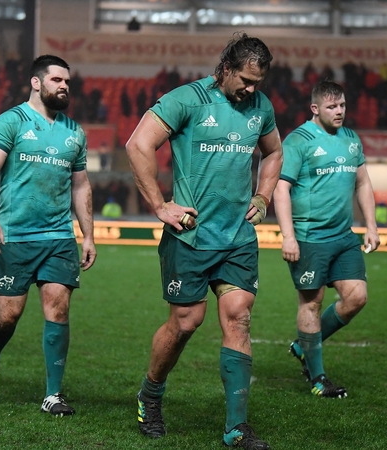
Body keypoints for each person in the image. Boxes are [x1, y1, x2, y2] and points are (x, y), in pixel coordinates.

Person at [126, 32, 282, 449]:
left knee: (239, 317)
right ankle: (150, 394)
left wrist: (263, 196)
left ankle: (236, 427)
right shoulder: (187, 100)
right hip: (191, 236)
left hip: (237, 237)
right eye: (246, 81)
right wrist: (160, 205)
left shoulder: (261, 108)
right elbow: (138, 144)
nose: (251, 90)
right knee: (185, 323)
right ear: (226, 69)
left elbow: (274, 153)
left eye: (258, 84)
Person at [0, 55, 96, 416]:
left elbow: (81, 186)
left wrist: (87, 235)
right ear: (36, 83)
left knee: (58, 307)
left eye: (68, 82)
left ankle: (53, 394)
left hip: (58, 238)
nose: (64, 86)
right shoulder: (11, 121)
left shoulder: (75, 131)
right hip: (15, 235)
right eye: (57, 80)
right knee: (7, 315)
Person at [273, 80, 380, 399]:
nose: (339, 112)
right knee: (312, 302)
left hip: (343, 236)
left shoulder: (351, 139)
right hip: (309, 238)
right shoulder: (298, 141)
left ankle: (304, 346)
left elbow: (363, 184)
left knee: (357, 297)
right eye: (332, 107)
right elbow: (281, 189)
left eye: (343, 105)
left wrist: (371, 225)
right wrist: (288, 237)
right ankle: (318, 379)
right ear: (315, 109)